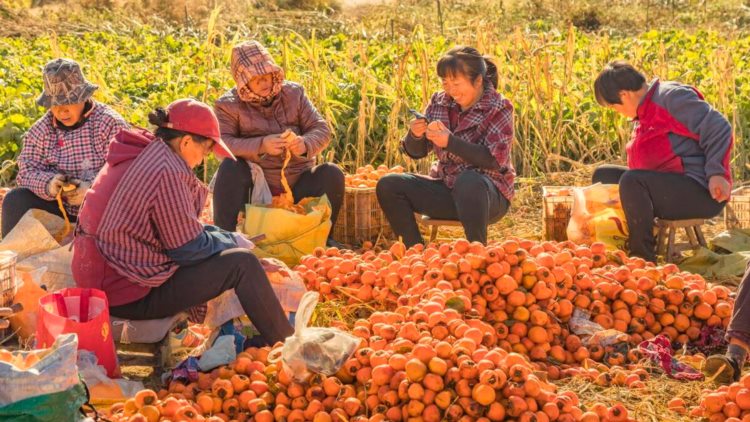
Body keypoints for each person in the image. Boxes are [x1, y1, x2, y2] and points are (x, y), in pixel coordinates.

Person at [72, 99, 294, 346]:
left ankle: (264, 340)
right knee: (243, 264)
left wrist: (225, 239)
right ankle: (287, 345)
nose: (202, 160)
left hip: (101, 279)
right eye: (205, 150)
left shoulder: (144, 152)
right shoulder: (167, 168)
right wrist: (231, 242)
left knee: (233, 254)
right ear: (186, 141)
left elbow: (175, 229)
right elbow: (187, 249)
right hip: (125, 292)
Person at [592, 61, 733, 262]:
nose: (618, 112)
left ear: (624, 94)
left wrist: (717, 173)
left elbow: (719, 127)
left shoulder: (670, 98)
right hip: (667, 185)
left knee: (632, 181)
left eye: (614, 106)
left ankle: (642, 258)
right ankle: (617, 241)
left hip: (699, 192)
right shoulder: (644, 110)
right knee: (603, 176)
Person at [376, 46, 514, 247]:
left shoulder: (498, 107)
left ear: (478, 80)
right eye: (445, 82)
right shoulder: (440, 102)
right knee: (389, 184)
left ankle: (477, 255)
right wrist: (415, 135)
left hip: (487, 197)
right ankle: (416, 252)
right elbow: (417, 152)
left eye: (456, 83)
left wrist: (450, 142)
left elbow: (493, 160)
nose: (451, 90)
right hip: (447, 190)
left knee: (469, 181)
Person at [212, 40, 345, 247]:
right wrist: (261, 145)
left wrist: (304, 144)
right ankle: (226, 240)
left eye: (267, 76)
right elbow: (223, 143)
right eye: (257, 80)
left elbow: (321, 128)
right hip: (256, 189)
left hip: (296, 182)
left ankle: (325, 238)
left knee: (331, 173)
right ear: (244, 83)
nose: (265, 83)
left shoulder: (294, 93)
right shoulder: (228, 105)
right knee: (230, 167)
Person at [2, 58, 129, 237]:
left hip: (104, 210)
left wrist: (92, 189)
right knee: (15, 199)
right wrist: (49, 185)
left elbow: (127, 171)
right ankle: (17, 258)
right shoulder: (41, 130)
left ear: (83, 98)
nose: (61, 111)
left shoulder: (108, 123)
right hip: (60, 210)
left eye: (68, 102)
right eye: (55, 104)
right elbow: (26, 172)